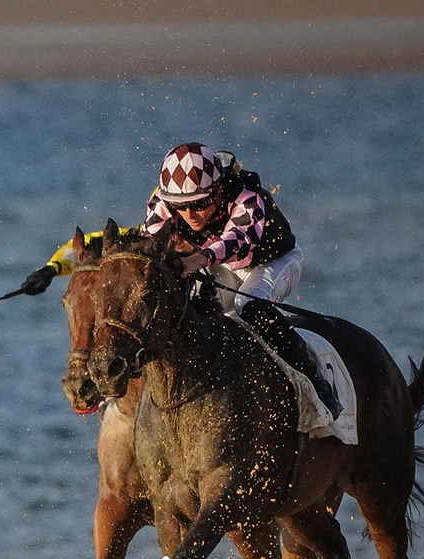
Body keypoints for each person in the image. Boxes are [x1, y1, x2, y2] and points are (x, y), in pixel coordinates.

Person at [141, 142, 340, 416]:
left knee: (250, 307)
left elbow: (237, 242)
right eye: (181, 207)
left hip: (270, 261)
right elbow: (149, 244)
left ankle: (313, 377)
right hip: (216, 264)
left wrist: (195, 260)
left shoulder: (246, 193)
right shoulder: (164, 204)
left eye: (199, 204)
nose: (190, 215)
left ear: (219, 190)